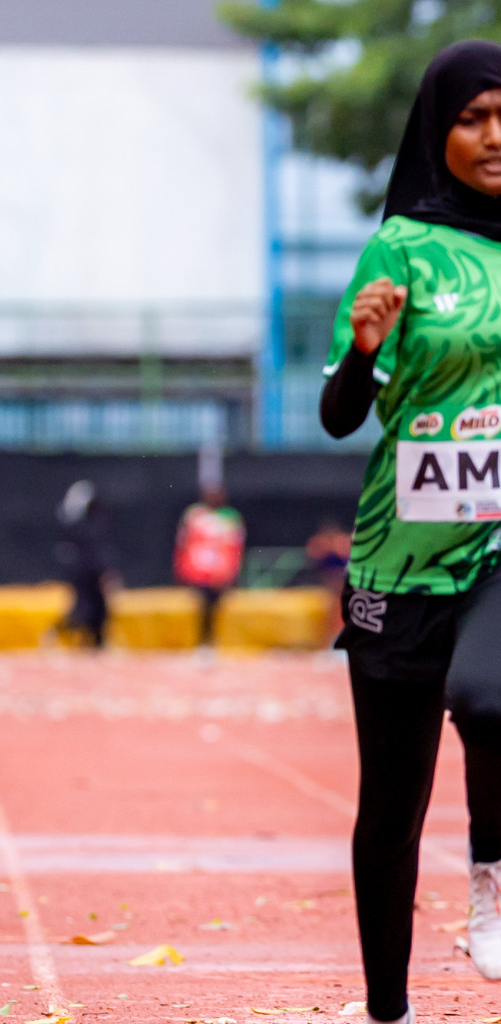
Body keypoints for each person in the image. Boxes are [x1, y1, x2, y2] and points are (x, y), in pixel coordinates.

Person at [319, 40, 501, 1024]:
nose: (494, 135)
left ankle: (492, 870)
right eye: (472, 117)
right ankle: (386, 1005)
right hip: (402, 546)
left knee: (491, 697)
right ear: (439, 131)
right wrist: (363, 349)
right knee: (389, 807)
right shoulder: (401, 247)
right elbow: (343, 414)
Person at [173, 484, 245, 645]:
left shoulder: (230, 516)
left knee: (218, 607)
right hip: (198, 570)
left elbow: (235, 546)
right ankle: (203, 641)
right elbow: (183, 543)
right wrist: (181, 568)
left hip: (220, 571)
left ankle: (215, 640)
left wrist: (232, 570)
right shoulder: (194, 515)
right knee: (201, 606)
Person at [54, 480, 116, 648]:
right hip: (86, 571)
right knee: (85, 609)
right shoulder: (84, 527)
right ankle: (58, 635)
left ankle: (96, 643)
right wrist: (104, 571)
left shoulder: (82, 524)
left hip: (87, 570)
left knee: (96, 609)